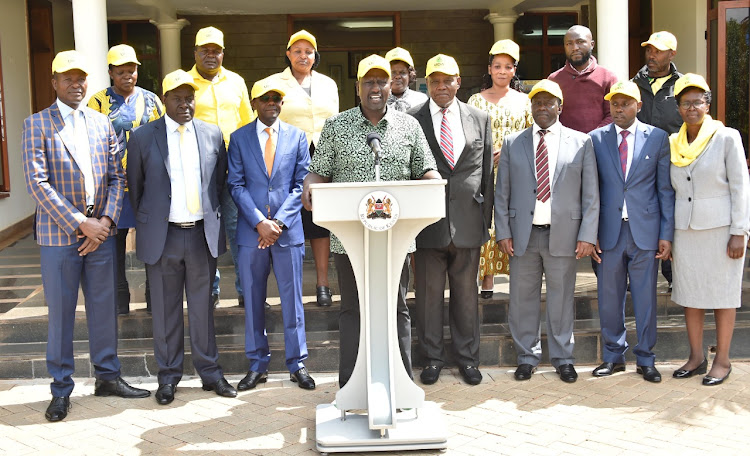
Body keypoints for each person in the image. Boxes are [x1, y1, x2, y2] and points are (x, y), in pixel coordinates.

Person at [22, 50, 150, 422]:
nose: (76, 84)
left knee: (103, 310)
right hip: (60, 236)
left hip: (101, 235)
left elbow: (116, 177)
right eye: (67, 78)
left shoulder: (101, 122)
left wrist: (106, 222)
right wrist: (81, 223)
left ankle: (108, 377)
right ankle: (61, 388)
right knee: (61, 315)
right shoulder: (37, 124)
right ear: (54, 83)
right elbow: (37, 183)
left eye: (81, 78)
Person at [302, 54, 439, 387]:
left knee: (396, 308)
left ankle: (400, 381)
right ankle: (351, 383)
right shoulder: (336, 126)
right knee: (353, 310)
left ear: (391, 86)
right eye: (369, 82)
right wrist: (310, 186)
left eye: (382, 82)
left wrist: (434, 183)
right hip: (349, 241)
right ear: (358, 87)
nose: (376, 88)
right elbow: (317, 174)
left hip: (396, 238)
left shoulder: (409, 125)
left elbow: (427, 170)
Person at [127, 70, 236, 405]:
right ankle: (169, 376)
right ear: (164, 100)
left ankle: (210, 372)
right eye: (178, 98)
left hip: (201, 235)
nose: (186, 104)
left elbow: (219, 184)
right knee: (164, 310)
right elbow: (137, 189)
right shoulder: (144, 137)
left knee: (203, 308)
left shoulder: (212, 133)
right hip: (164, 236)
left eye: (190, 97)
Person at [495, 79, 599, 383]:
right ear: (531, 107)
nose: (542, 107)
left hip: (564, 235)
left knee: (562, 299)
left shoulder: (581, 142)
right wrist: (503, 231)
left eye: (548, 102)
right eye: (537, 102)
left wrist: (587, 235)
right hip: (523, 236)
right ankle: (526, 357)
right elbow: (503, 192)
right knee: (522, 300)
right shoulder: (514, 142)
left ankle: (563, 358)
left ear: (560, 106)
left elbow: (591, 195)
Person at [409, 54, 493, 386]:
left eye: (448, 80)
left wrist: (484, 220)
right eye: (435, 81)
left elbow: (486, 173)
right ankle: (431, 359)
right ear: (426, 84)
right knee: (428, 297)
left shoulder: (479, 118)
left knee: (466, 296)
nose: (441, 86)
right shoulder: (413, 119)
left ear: (459, 81)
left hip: (469, 221)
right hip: (428, 224)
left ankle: (468, 360)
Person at [227, 77, 315, 391]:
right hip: (252, 235)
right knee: (253, 301)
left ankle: (297, 363)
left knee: (293, 301)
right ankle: (257, 365)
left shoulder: (297, 137)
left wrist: (277, 222)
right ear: (254, 103)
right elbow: (235, 185)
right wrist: (258, 223)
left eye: (277, 99)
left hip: (286, 232)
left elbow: (301, 183)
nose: (273, 104)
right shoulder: (238, 139)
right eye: (266, 99)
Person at [589, 81, 674, 383]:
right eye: (614, 103)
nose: (618, 109)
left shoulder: (658, 139)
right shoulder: (595, 139)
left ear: (638, 106)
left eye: (625, 103)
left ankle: (646, 358)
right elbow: (591, 191)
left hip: (645, 232)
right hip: (609, 233)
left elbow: (664, 189)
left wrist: (666, 235)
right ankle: (613, 356)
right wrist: (590, 233)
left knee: (645, 298)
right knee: (608, 296)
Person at [669, 74, 750, 386]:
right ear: (678, 108)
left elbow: (741, 187)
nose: (692, 107)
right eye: (686, 102)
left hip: (721, 231)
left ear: (708, 104)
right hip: (685, 230)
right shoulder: (674, 143)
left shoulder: (727, 137)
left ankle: (723, 360)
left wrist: (739, 231)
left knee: (723, 296)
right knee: (691, 295)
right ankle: (696, 357)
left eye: (698, 101)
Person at [88, 44, 164, 314]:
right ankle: (120, 299)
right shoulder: (97, 102)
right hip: (114, 185)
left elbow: (162, 139)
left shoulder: (153, 100)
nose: (128, 76)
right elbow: (92, 144)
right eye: (121, 72)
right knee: (114, 242)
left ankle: (154, 297)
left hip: (148, 185)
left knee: (150, 240)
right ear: (110, 73)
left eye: (131, 70)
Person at [268, 30, 339, 307]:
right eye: (297, 51)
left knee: (320, 223)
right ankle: (292, 286)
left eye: (308, 51)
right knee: (290, 217)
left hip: (322, 155)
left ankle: (323, 284)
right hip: (288, 157)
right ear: (288, 54)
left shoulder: (328, 84)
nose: (303, 56)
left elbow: (335, 122)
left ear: (315, 55)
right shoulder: (274, 82)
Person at [189, 26, 254, 307]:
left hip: (233, 167)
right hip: (198, 169)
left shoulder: (236, 82)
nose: (211, 55)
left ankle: (245, 290)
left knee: (238, 229)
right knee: (204, 232)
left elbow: (246, 124)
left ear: (223, 53)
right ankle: (211, 290)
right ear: (195, 53)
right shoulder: (185, 83)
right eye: (205, 50)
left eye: (216, 50)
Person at [468, 39, 533, 299]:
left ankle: (515, 273)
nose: (502, 71)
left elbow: (531, 137)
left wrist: (508, 152)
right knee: (485, 221)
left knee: (510, 221)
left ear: (514, 70)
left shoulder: (526, 101)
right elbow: (468, 134)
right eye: (497, 66)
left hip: (515, 172)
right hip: (482, 172)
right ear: (489, 68)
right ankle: (487, 277)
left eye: (508, 66)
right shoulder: (475, 100)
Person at [632, 31, 683, 290]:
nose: (652, 55)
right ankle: (639, 276)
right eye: (649, 49)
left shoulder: (683, 85)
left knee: (670, 214)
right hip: (640, 165)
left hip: (674, 164)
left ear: (672, 54)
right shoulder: (634, 84)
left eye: (659, 51)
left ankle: (674, 275)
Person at [548, 25, 618, 134]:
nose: (575, 47)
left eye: (580, 42)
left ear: (592, 45)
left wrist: (593, 136)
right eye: (569, 43)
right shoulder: (554, 80)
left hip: (599, 143)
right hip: (565, 145)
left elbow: (613, 114)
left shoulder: (608, 77)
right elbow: (550, 115)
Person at [385, 47, 428, 112]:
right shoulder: (378, 100)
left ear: (410, 75)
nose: (398, 76)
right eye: (393, 73)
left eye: (402, 73)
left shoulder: (421, 100)